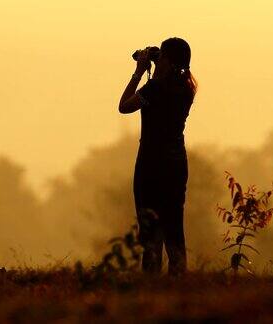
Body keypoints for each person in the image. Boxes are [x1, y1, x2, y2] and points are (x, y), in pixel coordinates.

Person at [118, 37, 198, 276]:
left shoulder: (154, 88)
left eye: (161, 55)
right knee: (174, 225)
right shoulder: (187, 88)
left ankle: (151, 281)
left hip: (151, 163)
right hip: (176, 162)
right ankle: (178, 280)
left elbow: (124, 106)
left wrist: (139, 71)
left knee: (151, 229)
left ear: (168, 60)